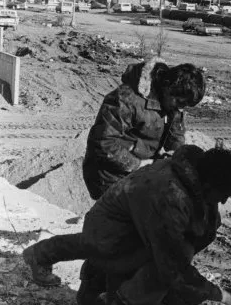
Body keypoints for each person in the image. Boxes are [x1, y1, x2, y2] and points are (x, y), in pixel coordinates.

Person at [23, 144, 231, 305]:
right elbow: (172, 265)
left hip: (134, 230)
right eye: (223, 194)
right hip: (111, 231)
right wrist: (222, 295)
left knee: (171, 279)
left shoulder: (192, 179)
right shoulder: (169, 196)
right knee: (154, 267)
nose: (222, 202)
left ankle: (106, 284)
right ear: (208, 183)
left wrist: (192, 291)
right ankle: (110, 299)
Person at [82, 58, 206, 200]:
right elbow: (103, 143)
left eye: (184, 105)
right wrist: (138, 164)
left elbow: (176, 134)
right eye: (179, 102)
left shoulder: (173, 100)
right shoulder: (126, 99)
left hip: (142, 171)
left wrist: (175, 153)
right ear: (167, 87)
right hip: (110, 174)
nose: (180, 108)